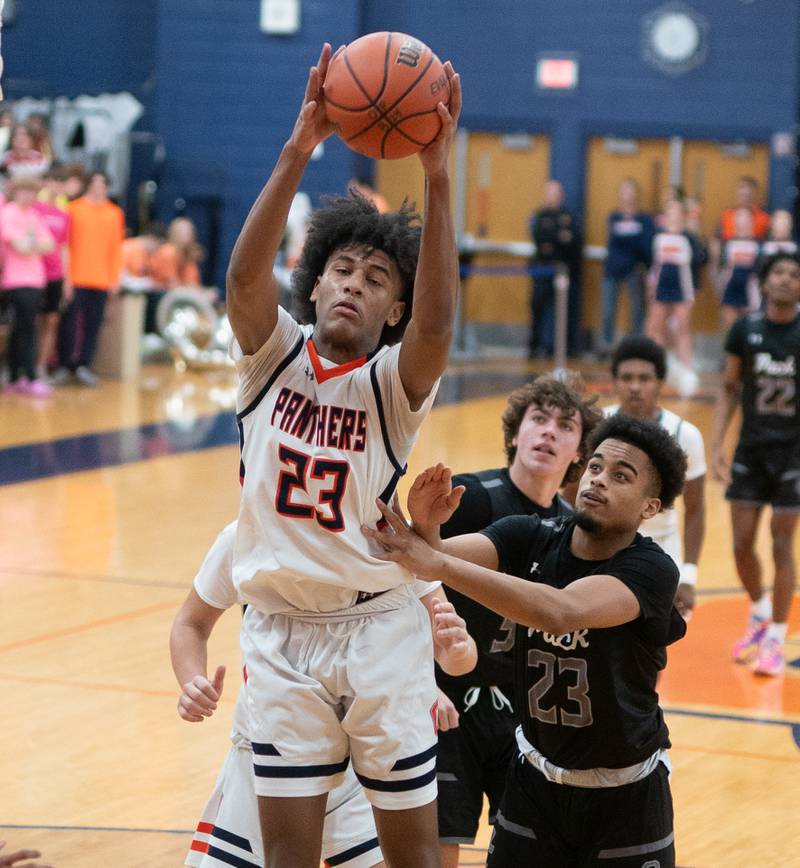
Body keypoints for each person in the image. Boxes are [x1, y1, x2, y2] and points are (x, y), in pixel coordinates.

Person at [224, 44, 461, 868]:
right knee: (288, 859)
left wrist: (436, 174)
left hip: (377, 629)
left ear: (393, 309)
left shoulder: (393, 389)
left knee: (411, 858)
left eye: (376, 279)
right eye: (342, 269)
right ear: (314, 285)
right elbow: (242, 279)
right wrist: (300, 147)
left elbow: (437, 329)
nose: (356, 284)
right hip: (280, 635)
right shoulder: (271, 359)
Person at [365, 413, 689, 868]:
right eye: (595, 467)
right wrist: (426, 525)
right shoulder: (532, 535)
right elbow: (430, 557)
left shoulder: (652, 570)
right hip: (533, 784)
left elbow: (559, 612)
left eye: (621, 476)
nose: (598, 480)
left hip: (625, 794)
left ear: (649, 507)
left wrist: (434, 561)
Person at [170, 522, 477, 868]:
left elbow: (456, 659)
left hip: (361, 760)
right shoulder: (248, 533)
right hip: (270, 753)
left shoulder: (391, 538)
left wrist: (456, 650)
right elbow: (190, 622)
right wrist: (191, 680)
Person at [431, 374, 603, 868]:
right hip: (446, 702)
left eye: (565, 426)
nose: (549, 432)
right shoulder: (473, 497)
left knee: (531, 851)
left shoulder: (575, 526)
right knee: (438, 851)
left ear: (579, 453)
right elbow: (405, 580)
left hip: (523, 714)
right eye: (539, 419)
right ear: (514, 434)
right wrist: (418, 681)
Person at [710, 252, 800, 677]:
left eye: (794, 275)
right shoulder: (745, 329)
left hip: (794, 454)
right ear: (765, 283)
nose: (786, 280)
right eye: (779, 273)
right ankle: (761, 614)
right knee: (741, 544)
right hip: (751, 449)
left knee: (782, 542)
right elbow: (729, 388)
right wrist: (716, 446)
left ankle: (777, 639)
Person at [607, 336, 707, 618]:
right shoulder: (596, 425)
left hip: (661, 555)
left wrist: (688, 575)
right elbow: (570, 498)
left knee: (649, 656)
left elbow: (696, 509)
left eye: (644, 378)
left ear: (660, 382)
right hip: (603, 549)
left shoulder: (684, 435)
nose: (635, 387)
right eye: (627, 378)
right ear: (614, 382)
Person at [52, 171, 124, 386]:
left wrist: (114, 279)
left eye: (103, 184)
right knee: (69, 324)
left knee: (93, 325)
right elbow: (65, 245)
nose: (99, 187)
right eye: (95, 183)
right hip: (76, 277)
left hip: (100, 279)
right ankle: (65, 365)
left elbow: (115, 248)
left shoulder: (114, 213)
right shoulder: (74, 209)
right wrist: (66, 278)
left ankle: (84, 364)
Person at [0, 176, 55, 396]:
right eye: (25, 191)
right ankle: (29, 376)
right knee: (27, 329)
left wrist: (31, 243)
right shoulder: (9, 213)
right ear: (16, 192)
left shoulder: (33, 215)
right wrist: (34, 244)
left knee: (23, 328)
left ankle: (15, 377)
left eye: (33, 192)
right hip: (17, 280)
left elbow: (49, 244)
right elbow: (20, 246)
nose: (29, 196)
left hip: (35, 279)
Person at [645, 199, 702, 381]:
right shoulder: (657, 235)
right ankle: (657, 367)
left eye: (677, 211)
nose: (673, 215)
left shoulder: (689, 237)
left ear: (683, 215)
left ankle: (687, 369)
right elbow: (653, 264)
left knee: (683, 329)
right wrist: (650, 287)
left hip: (682, 288)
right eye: (670, 211)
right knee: (656, 330)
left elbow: (700, 260)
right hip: (661, 286)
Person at [528, 180, 582, 358]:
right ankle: (534, 345)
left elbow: (573, 241)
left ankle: (564, 347)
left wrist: (556, 239)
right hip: (542, 269)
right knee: (537, 307)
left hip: (563, 270)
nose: (553, 197)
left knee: (564, 311)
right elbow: (539, 238)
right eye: (550, 193)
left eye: (556, 193)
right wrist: (559, 237)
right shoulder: (540, 215)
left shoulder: (569, 216)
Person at [600, 179, 654, 352]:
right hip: (613, 269)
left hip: (635, 270)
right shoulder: (614, 217)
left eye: (630, 191)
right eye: (624, 191)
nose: (627, 196)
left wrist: (630, 243)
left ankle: (637, 345)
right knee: (608, 310)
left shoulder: (644, 219)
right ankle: (607, 346)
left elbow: (645, 245)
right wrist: (631, 240)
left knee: (637, 310)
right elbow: (613, 243)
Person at [32, 168, 70, 379]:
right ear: (46, 183)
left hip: (55, 274)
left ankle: (41, 365)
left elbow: (64, 247)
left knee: (52, 320)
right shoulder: (36, 209)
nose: (56, 186)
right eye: (53, 181)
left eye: (60, 182)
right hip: (36, 273)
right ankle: (27, 365)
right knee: (34, 321)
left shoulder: (64, 214)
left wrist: (66, 278)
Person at [714, 207, 761, 330]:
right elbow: (720, 269)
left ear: (751, 222)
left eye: (746, 219)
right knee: (730, 329)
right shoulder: (727, 244)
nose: (742, 222)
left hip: (751, 291)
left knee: (750, 328)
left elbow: (761, 270)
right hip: (731, 290)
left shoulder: (759, 245)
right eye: (739, 218)